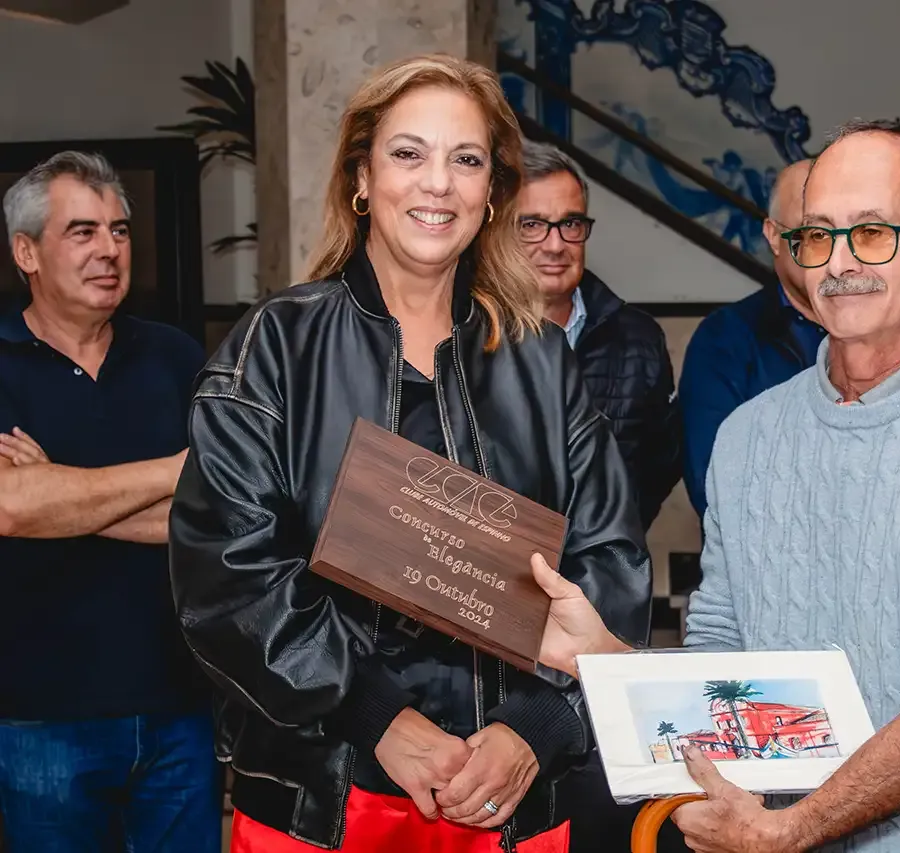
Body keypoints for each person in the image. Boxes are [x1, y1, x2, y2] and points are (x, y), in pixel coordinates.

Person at [525, 119, 900, 853]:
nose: (840, 262)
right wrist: (609, 662)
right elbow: (723, 662)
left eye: (872, 233)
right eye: (818, 236)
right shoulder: (748, 436)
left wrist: (785, 832)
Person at [166, 54, 652, 853]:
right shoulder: (276, 348)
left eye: (466, 160)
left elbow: (611, 560)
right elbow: (228, 573)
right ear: (362, 177)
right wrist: (378, 716)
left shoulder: (542, 360)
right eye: (407, 153)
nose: (438, 183)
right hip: (326, 799)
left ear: (491, 193)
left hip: (511, 799)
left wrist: (535, 727)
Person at [0, 151, 220, 853]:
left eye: (119, 230)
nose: (109, 249)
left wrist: (60, 494)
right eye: (82, 231)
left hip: (180, 704)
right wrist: (176, 470)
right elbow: (11, 507)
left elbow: (222, 512)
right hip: (40, 715)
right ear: (26, 253)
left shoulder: (176, 357)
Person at [515, 138, 681, 530]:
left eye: (570, 224)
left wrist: (612, 539)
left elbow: (659, 464)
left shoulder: (638, 338)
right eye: (532, 225)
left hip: (600, 564)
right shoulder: (462, 331)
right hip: (490, 560)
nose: (555, 245)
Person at [678, 158, 825, 520]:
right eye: (811, 234)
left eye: (841, 233)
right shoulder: (724, 339)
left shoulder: (876, 332)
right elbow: (714, 487)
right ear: (773, 236)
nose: (829, 252)